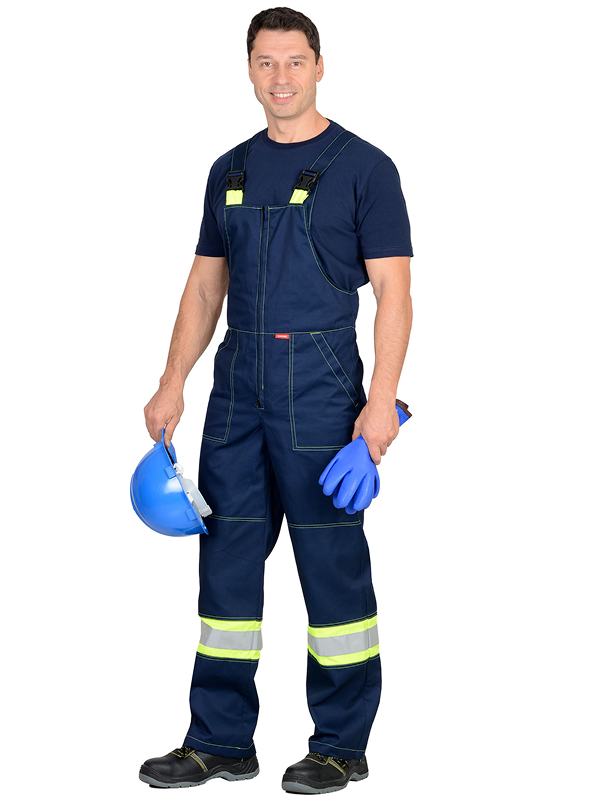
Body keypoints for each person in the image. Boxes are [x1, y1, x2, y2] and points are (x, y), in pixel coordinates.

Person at [139, 6, 413, 794]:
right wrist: (171, 381)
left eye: (295, 61)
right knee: (225, 567)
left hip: (323, 395)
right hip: (236, 395)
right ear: (250, 71)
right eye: (266, 62)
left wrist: (381, 404)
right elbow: (205, 288)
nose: (281, 77)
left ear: (320, 67)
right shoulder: (228, 169)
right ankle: (219, 740)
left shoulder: (366, 168)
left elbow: (394, 293)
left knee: (331, 568)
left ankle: (341, 746)